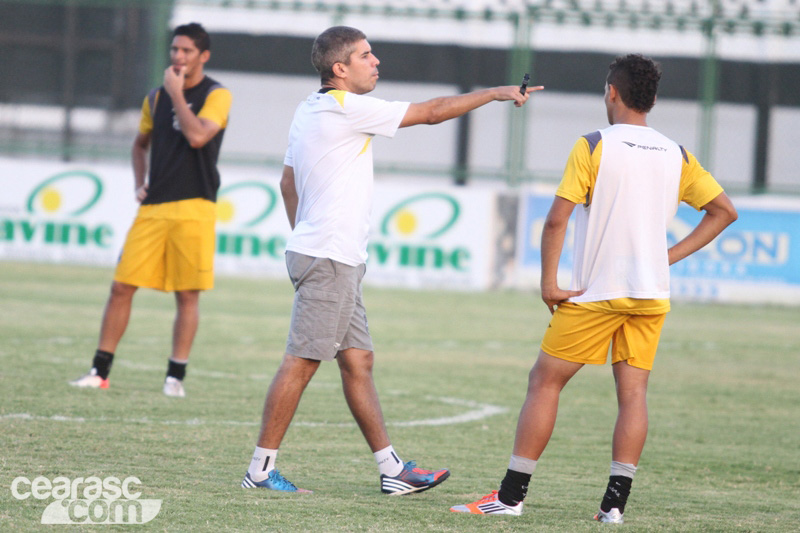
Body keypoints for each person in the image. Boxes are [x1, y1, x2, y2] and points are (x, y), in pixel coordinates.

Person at [240, 25, 542, 494]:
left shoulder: (309, 108)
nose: (376, 60)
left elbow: (287, 184)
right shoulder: (346, 107)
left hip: (328, 256)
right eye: (365, 55)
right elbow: (433, 112)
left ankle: (392, 471)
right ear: (340, 70)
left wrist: (306, 236)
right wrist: (497, 93)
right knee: (301, 363)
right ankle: (259, 471)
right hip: (329, 258)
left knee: (358, 362)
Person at [450, 54, 737, 522]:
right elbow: (724, 211)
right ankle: (614, 508)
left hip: (598, 290)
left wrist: (549, 283)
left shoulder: (594, 144)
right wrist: (664, 259)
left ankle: (509, 497)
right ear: (654, 100)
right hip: (650, 295)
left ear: (612, 92)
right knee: (634, 395)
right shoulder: (676, 152)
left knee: (544, 382)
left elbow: (557, 219)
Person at [69, 23, 232, 398]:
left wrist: (177, 95)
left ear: (203, 56)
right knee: (121, 286)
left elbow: (197, 136)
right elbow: (139, 144)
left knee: (187, 295)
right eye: (175, 49)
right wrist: (138, 183)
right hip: (154, 207)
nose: (178, 56)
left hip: (195, 206)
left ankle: (175, 377)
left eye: (187, 51)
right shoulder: (155, 98)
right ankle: (100, 371)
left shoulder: (217, 95)